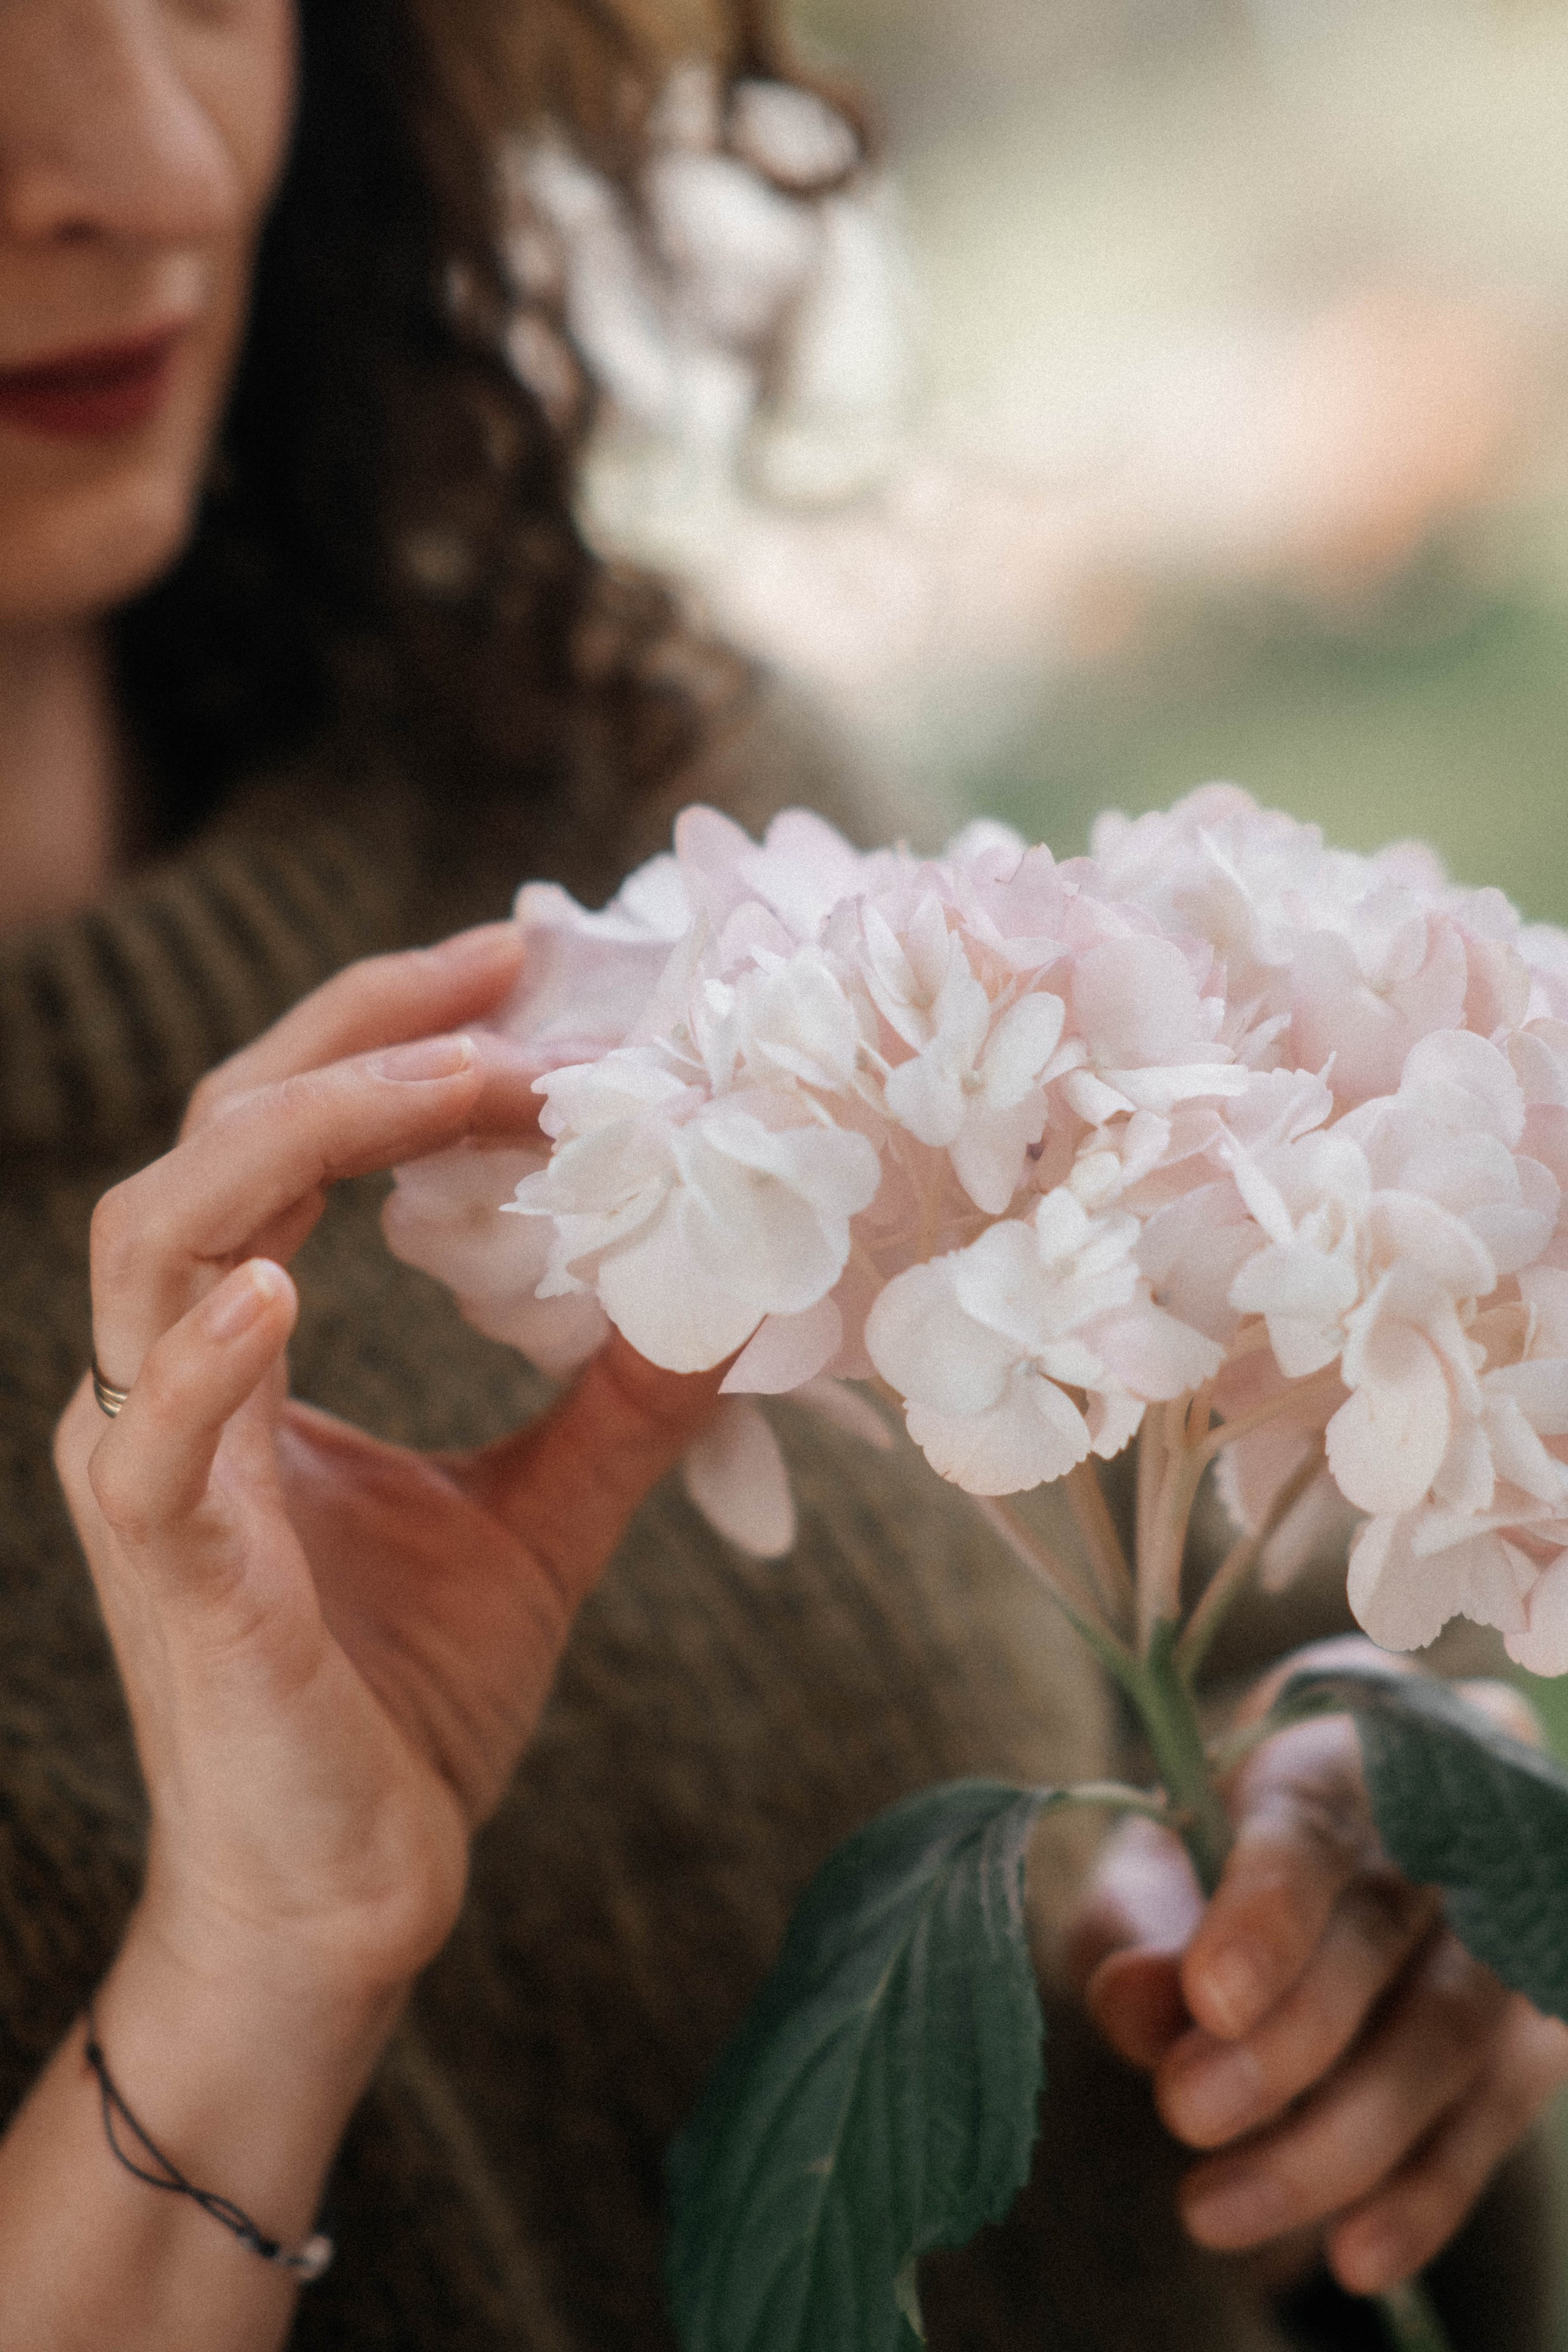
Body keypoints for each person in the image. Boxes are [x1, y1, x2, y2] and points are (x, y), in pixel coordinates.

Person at [0, 4, 1563, 2347]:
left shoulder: (630, 771)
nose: (144, 158)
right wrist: (259, 1957)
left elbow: (1221, 1602)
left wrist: (1389, 1843)